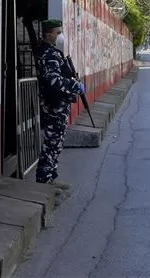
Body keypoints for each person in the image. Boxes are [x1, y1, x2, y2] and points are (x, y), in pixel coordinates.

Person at [34, 19, 84, 186]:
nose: (60, 36)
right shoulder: (49, 55)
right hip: (53, 106)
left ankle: (51, 177)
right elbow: (54, 81)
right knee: (51, 144)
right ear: (49, 34)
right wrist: (75, 86)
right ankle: (44, 180)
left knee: (56, 144)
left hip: (57, 105)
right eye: (58, 32)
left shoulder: (52, 52)